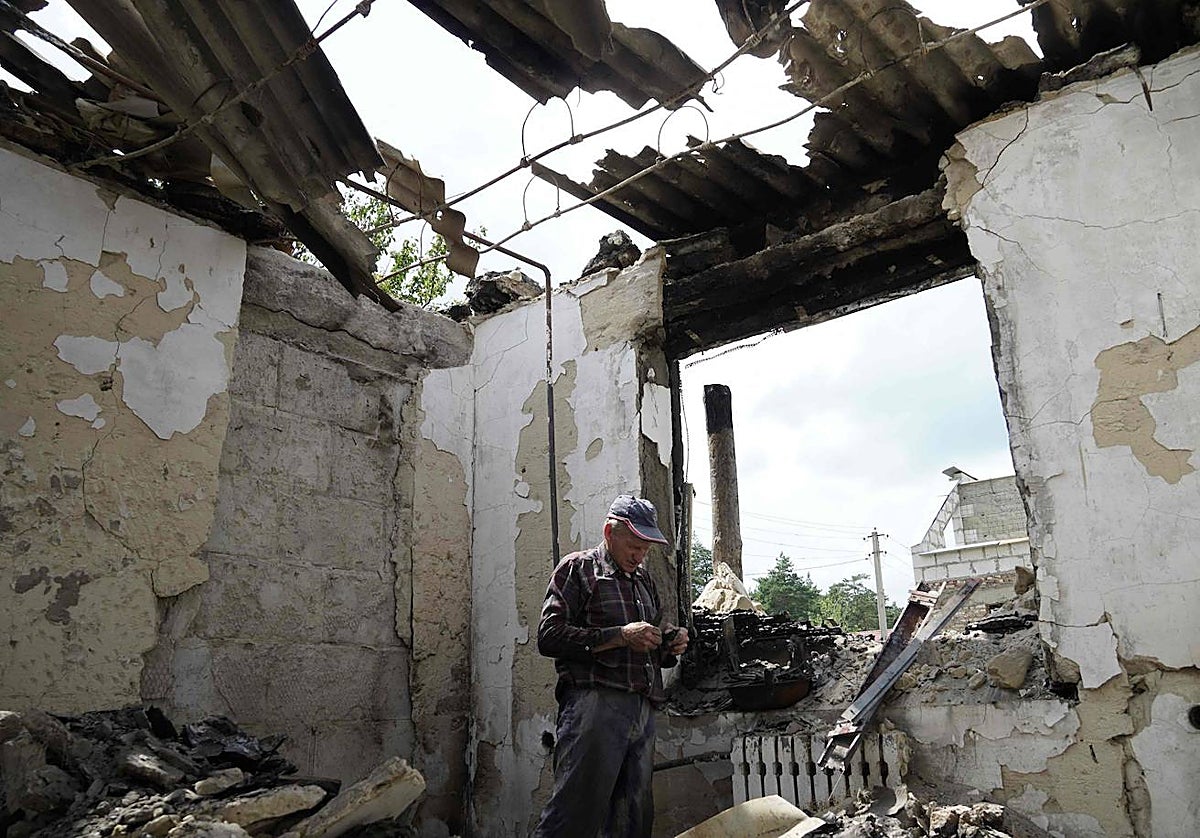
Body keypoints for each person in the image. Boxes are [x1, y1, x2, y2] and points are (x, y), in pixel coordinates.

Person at [532, 495, 689, 838]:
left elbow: (650, 649)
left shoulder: (644, 581)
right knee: (573, 814)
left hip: (642, 709)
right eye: (633, 545)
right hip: (595, 706)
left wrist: (668, 643)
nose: (639, 555)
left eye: (645, 548)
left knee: (632, 818)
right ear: (608, 532)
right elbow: (549, 637)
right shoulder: (578, 569)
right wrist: (619, 635)